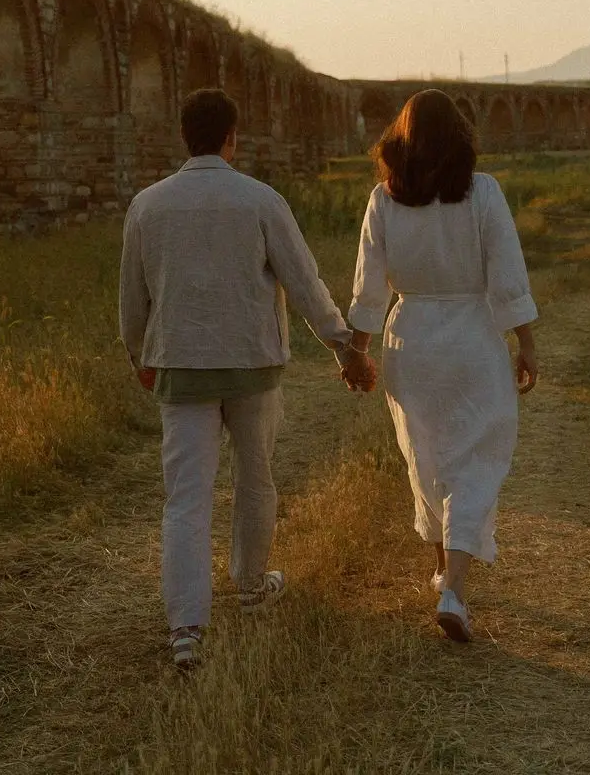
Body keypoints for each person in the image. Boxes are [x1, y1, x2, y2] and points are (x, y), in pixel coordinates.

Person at [119, 87, 375, 670]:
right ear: (232, 138)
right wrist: (344, 348)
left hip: (181, 365)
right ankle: (252, 586)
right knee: (255, 479)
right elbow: (304, 283)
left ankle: (186, 627)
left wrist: (140, 356)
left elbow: (132, 297)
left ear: (183, 137)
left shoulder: (147, 206)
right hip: (252, 365)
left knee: (186, 497)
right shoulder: (260, 200)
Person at [347, 89, 538, 643]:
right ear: (461, 137)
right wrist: (526, 341)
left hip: (411, 340)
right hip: (472, 337)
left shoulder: (384, 198)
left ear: (400, 139)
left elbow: (368, 283)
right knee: (474, 457)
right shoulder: (482, 192)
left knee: (425, 455)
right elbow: (506, 271)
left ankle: (442, 570)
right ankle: (452, 585)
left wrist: (357, 349)